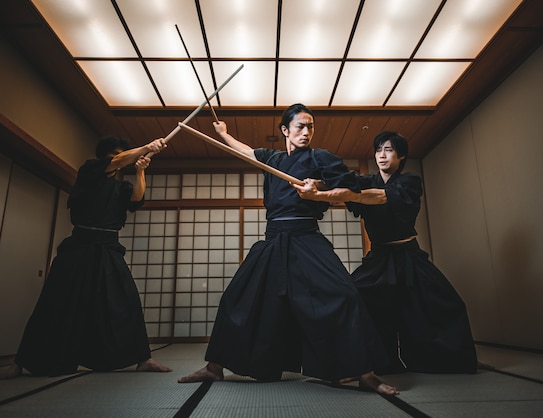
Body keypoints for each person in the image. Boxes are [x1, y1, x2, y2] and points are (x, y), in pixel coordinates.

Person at [177, 104, 398, 395]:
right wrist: (223, 134)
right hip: (273, 239)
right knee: (236, 298)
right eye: (299, 126)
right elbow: (245, 152)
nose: (306, 132)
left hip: (306, 236)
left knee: (345, 295)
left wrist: (317, 192)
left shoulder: (321, 158)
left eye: (310, 127)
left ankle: (365, 372)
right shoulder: (272, 158)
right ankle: (215, 367)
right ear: (285, 130)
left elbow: (349, 190)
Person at [293, 131, 478, 374]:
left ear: (401, 156)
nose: (382, 155)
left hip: (409, 255)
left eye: (388, 150)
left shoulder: (410, 182)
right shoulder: (367, 181)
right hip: (379, 258)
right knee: (354, 298)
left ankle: (448, 360)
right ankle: (377, 361)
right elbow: (344, 185)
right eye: (379, 150)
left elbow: (376, 197)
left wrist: (322, 194)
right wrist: (314, 184)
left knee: (446, 303)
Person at [0, 135, 172, 379]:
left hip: (109, 247)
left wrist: (141, 172)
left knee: (126, 301)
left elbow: (135, 200)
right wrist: (145, 147)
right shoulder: (90, 170)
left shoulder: (121, 186)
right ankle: (21, 362)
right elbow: (119, 161)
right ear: (106, 158)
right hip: (79, 246)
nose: (119, 161)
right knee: (54, 302)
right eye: (116, 157)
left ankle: (143, 358)